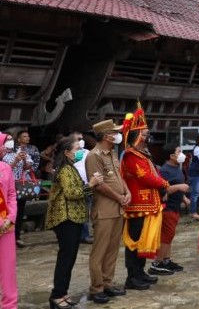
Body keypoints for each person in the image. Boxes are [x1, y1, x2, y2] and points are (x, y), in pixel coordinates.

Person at [120, 106, 188, 290]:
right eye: (144, 132)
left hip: (148, 203)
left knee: (142, 241)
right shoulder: (130, 155)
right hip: (137, 205)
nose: (147, 134)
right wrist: (165, 184)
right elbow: (145, 176)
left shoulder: (141, 154)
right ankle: (132, 277)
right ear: (136, 135)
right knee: (134, 243)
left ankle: (140, 273)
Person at [45, 136, 104, 309]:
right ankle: (56, 296)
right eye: (77, 149)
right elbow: (73, 193)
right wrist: (91, 184)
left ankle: (62, 293)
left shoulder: (71, 168)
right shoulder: (64, 169)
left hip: (74, 217)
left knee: (69, 258)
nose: (80, 151)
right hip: (66, 218)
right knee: (65, 258)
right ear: (67, 153)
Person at [85, 119, 129, 304]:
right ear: (106, 136)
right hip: (104, 210)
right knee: (100, 251)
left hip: (117, 209)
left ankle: (107, 283)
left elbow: (119, 176)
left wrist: (128, 192)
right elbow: (99, 184)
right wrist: (119, 197)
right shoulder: (94, 156)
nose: (117, 135)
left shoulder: (111, 153)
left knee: (112, 250)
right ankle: (96, 288)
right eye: (114, 132)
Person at [149, 145, 189, 275]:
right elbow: (164, 189)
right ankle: (157, 263)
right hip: (168, 208)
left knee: (169, 236)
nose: (181, 154)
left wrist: (183, 198)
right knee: (165, 236)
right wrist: (179, 187)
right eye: (178, 152)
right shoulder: (165, 171)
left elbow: (177, 187)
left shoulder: (176, 168)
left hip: (176, 207)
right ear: (171, 156)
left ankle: (166, 260)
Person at [2, 130, 39, 248]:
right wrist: (15, 161)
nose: (9, 142)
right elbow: (5, 170)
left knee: (18, 213)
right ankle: (6, 237)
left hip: (20, 187)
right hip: (6, 188)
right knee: (6, 213)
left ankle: (16, 237)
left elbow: (28, 167)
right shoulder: (2, 155)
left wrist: (22, 159)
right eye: (7, 140)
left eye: (10, 140)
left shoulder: (20, 151)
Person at [0, 133, 18, 309]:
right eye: (2, 144)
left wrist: (10, 217)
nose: (4, 147)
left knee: (8, 268)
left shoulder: (6, 168)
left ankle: (10, 305)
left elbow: (12, 195)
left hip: (6, 226)